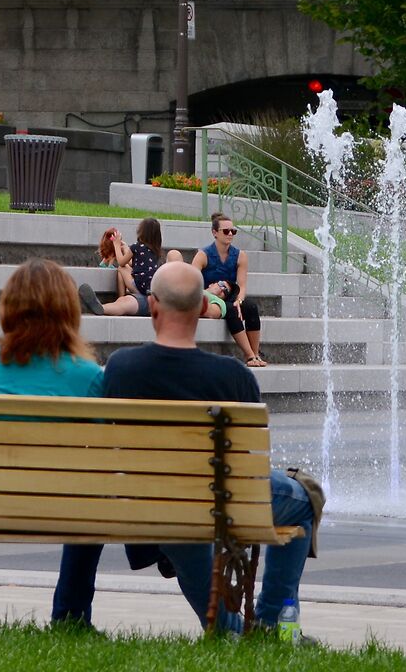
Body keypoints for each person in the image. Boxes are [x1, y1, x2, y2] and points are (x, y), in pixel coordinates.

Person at [104, 262, 316, 634]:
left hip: (150, 504)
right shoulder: (234, 376)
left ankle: (227, 629)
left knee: (178, 520)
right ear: (204, 308)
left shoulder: (121, 368)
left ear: (152, 305)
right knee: (303, 497)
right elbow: (250, 463)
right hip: (217, 501)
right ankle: (273, 623)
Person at [0, 259, 106, 626]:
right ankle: (70, 618)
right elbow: (106, 452)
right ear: (68, 311)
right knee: (97, 498)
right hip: (60, 510)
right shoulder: (88, 376)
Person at [194, 212, 265, 367]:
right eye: (226, 231)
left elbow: (242, 285)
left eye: (233, 231)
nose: (230, 234)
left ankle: (256, 354)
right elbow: (192, 280)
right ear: (214, 233)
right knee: (232, 310)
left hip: (231, 296)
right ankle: (249, 355)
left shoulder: (240, 256)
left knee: (250, 307)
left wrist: (239, 300)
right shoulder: (203, 255)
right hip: (212, 299)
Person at [101, 218, 173, 317]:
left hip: (139, 287)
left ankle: (121, 297)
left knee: (122, 268)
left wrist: (116, 245)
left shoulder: (136, 247)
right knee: (127, 267)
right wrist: (127, 249)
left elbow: (122, 262)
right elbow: (135, 264)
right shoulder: (155, 250)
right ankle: (124, 297)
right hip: (152, 288)